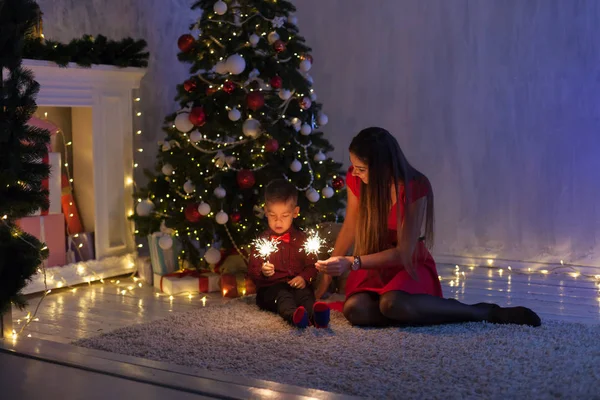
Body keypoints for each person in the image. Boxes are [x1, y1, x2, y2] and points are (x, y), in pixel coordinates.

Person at [315, 127, 541, 327]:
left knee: (393, 303)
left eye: (361, 168)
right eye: (353, 166)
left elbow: (403, 253)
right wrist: (328, 274)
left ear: (383, 168)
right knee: (355, 310)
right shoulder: (357, 181)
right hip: (372, 264)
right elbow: (350, 227)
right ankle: (415, 312)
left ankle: (482, 311)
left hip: (404, 264)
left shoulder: (414, 187)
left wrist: (352, 262)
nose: (354, 173)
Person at [248, 179, 330, 329]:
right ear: (266, 211)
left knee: (305, 295)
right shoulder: (262, 241)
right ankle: (295, 317)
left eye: (284, 216)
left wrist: (304, 278)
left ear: (295, 212)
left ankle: (316, 316)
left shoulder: (302, 239)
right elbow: (252, 270)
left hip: (296, 285)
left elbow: (312, 266)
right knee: (283, 297)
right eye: (273, 216)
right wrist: (262, 271)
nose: (278, 221)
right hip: (271, 290)